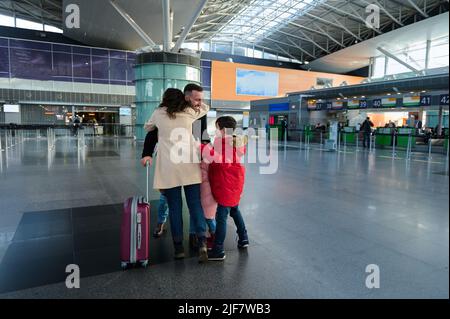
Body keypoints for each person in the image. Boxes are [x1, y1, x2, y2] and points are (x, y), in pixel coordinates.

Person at [142, 86, 210, 262]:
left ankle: (178, 248)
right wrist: (190, 105)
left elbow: (148, 128)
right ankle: (202, 242)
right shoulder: (189, 111)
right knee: (195, 205)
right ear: (183, 98)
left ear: (165, 99)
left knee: (175, 208)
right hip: (189, 166)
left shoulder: (158, 113)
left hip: (169, 169)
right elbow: (205, 108)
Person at [208, 116, 249, 261]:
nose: (216, 131)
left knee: (221, 217)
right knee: (235, 210)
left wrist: (204, 149)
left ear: (222, 128)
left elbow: (221, 163)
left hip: (226, 181)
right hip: (235, 180)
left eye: (217, 128)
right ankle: (243, 238)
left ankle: (218, 249)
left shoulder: (222, 142)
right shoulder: (237, 141)